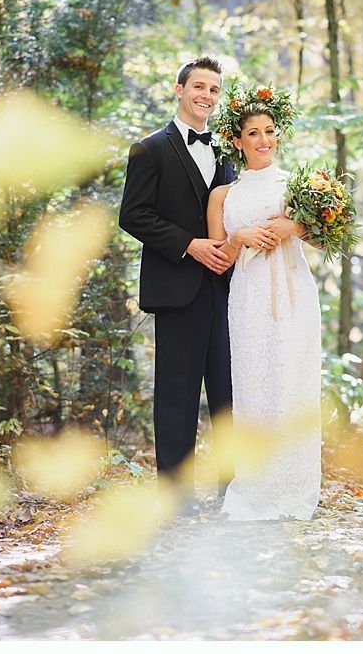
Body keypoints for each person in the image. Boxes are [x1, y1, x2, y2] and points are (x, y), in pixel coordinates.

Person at [118, 57, 236, 513]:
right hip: (176, 287)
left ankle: (233, 490)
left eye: (214, 89)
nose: (206, 96)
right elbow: (133, 215)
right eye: (199, 87)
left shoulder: (227, 152)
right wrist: (189, 244)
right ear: (179, 89)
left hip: (226, 289)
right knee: (177, 395)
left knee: (228, 392)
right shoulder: (149, 150)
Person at [206, 84, 321, 520]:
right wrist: (238, 238)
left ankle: (296, 486)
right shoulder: (223, 195)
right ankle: (254, 486)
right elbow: (218, 261)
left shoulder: (298, 185)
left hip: (294, 295)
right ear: (237, 141)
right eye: (253, 132)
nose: (263, 140)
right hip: (248, 298)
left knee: (292, 385)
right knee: (254, 386)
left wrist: (293, 228)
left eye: (270, 131)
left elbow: (319, 237)